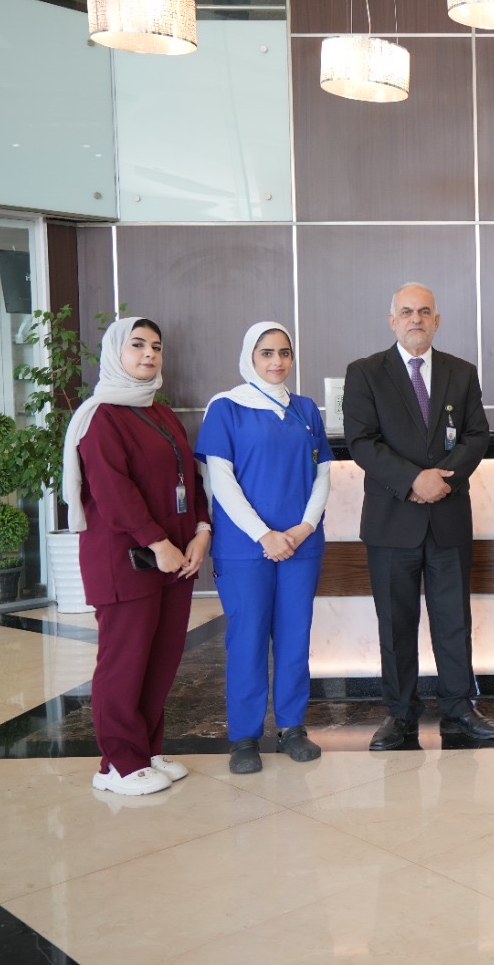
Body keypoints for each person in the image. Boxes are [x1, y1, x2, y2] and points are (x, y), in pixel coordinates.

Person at [343, 283, 494, 749]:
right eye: (407, 312)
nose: (416, 319)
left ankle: (458, 709)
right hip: (392, 520)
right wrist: (413, 480)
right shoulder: (365, 372)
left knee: (454, 620)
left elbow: (477, 435)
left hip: (448, 518)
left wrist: (440, 479)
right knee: (395, 624)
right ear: (393, 321)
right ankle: (400, 714)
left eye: (424, 311)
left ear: (437, 320)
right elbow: (361, 441)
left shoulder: (461, 372)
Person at [63, 317, 211, 795]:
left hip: (174, 559)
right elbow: (113, 491)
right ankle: (117, 763)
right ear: (115, 353)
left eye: (156, 346)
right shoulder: (100, 417)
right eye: (138, 345)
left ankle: (145, 750)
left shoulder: (160, 412)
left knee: (160, 659)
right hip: (126, 560)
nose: (149, 354)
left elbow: (190, 478)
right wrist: (157, 542)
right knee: (124, 661)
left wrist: (201, 530)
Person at [196, 322, 332, 774]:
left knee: (295, 638)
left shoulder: (306, 409)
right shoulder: (226, 407)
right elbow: (221, 481)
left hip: (300, 546)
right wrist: (264, 535)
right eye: (267, 353)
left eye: (284, 353)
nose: (277, 361)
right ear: (249, 357)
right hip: (244, 549)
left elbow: (323, 474)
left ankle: (292, 728)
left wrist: (305, 527)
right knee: (248, 639)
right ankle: (245, 737)